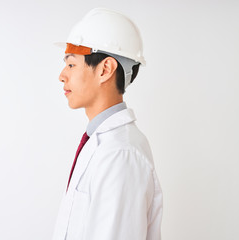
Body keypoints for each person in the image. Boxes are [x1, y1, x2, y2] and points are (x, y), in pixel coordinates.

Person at [52, 8, 163, 240]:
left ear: (105, 69)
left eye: (71, 64)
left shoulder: (121, 154)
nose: (62, 75)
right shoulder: (103, 143)